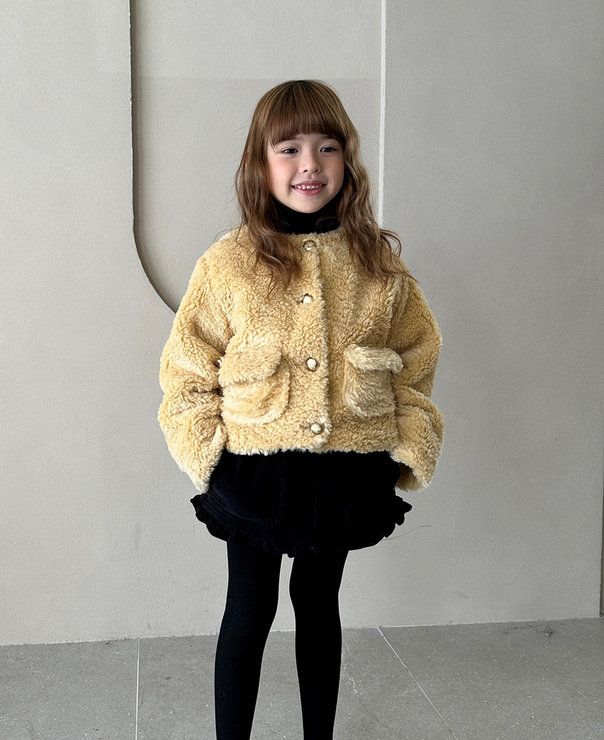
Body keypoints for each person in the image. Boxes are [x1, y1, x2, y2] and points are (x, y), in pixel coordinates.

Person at [158, 80, 443, 740]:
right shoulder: (228, 263)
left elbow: (417, 357)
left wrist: (404, 445)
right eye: (288, 148)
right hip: (254, 473)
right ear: (260, 163)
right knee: (249, 608)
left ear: (348, 159)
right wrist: (207, 456)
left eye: (327, 147)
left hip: (347, 472)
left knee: (319, 606)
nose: (309, 164)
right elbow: (187, 368)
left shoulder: (379, 265)